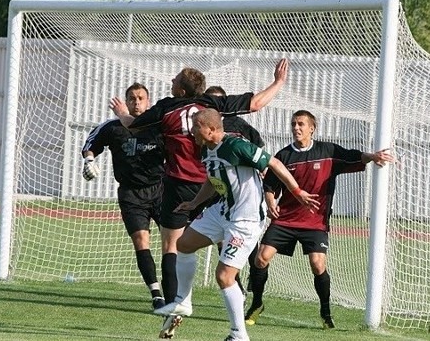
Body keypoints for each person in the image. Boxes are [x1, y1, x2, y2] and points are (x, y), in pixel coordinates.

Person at [109, 58, 289, 339]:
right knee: (198, 246)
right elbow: (255, 104)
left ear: (180, 89)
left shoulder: (167, 107)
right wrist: (278, 83)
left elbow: (133, 125)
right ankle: (214, 297)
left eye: (174, 80)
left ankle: (178, 301)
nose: (170, 83)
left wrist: (122, 114)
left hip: (184, 184)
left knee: (173, 246)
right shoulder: (211, 104)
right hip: (213, 187)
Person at [153, 109, 319, 341]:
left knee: (224, 275)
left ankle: (239, 335)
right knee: (184, 244)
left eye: (196, 126)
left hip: (245, 220)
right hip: (222, 211)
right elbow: (213, 181)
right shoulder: (205, 149)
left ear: (211, 129)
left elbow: (273, 163)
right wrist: (194, 203)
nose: (191, 131)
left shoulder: (236, 145)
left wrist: (296, 190)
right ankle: (183, 302)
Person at [244, 109, 394, 329]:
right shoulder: (283, 156)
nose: (296, 127)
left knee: (317, 264)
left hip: (315, 222)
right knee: (261, 258)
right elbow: (270, 186)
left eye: (301, 124)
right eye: (294, 124)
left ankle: (325, 311)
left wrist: (373, 156)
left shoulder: (328, 151)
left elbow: (355, 156)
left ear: (312, 128)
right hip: (286, 219)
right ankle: (256, 303)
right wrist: (270, 201)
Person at [82, 82, 166, 310]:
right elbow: (91, 144)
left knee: (173, 243)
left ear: (148, 101)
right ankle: (156, 294)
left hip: (160, 190)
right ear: (126, 102)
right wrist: (89, 160)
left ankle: (176, 293)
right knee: (141, 241)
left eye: (141, 98)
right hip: (131, 194)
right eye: (132, 98)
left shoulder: (158, 126)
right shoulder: (112, 127)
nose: (136, 102)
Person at [204, 85, 264, 298]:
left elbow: (260, 154)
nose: (216, 107)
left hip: (243, 198)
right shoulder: (205, 130)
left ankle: (255, 287)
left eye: (220, 102)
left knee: (251, 248)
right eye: (211, 102)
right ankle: (234, 285)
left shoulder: (240, 127)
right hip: (217, 192)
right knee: (220, 239)